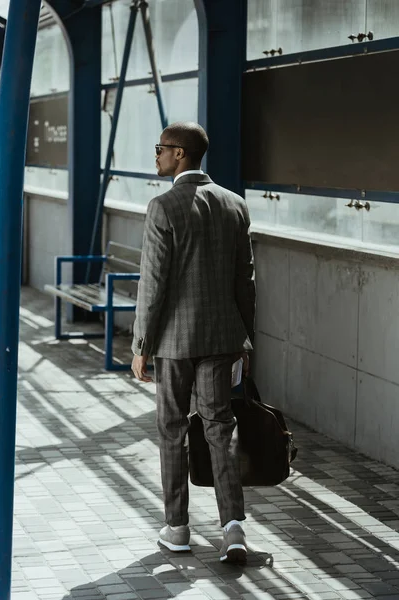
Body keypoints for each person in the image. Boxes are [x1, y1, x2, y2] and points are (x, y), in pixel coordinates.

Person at [131, 121, 255, 564]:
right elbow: (246, 281)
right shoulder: (234, 204)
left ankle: (178, 528)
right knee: (221, 429)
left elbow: (154, 284)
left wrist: (141, 345)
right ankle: (233, 528)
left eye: (161, 148)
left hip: (173, 343)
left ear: (180, 154)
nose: (157, 155)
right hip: (222, 338)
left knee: (172, 429)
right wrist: (245, 342)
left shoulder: (163, 206)